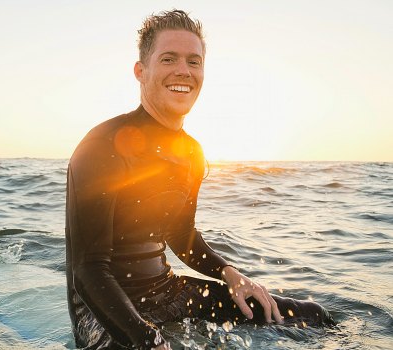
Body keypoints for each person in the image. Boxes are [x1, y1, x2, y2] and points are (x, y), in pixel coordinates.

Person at [65, 9, 334, 350]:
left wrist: (231, 274)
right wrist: (147, 339)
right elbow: (88, 272)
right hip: (102, 313)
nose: (183, 71)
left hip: (167, 292)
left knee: (309, 316)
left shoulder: (191, 152)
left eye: (194, 61)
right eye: (168, 59)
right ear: (140, 71)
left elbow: (181, 235)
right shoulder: (101, 145)